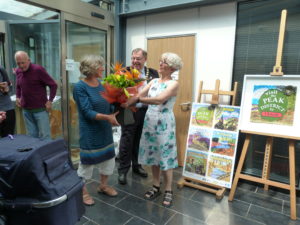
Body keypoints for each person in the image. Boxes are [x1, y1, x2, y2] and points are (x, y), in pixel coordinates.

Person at [122, 52, 183, 207]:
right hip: (150, 121)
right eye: (161, 61)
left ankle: (168, 189)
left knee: (165, 156)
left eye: (164, 62)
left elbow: (159, 99)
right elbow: (138, 94)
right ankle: (156, 186)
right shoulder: (154, 80)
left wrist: (138, 99)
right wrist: (125, 103)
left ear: (172, 68)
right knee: (153, 155)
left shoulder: (173, 84)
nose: (160, 64)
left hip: (164, 122)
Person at [73, 55, 120, 206]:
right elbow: (87, 112)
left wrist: (119, 103)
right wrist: (108, 118)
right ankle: (82, 191)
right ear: (92, 69)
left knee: (108, 159)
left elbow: (109, 104)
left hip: (105, 130)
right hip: (90, 132)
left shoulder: (102, 84)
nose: (103, 69)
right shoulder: (80, 87)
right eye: (100, 66)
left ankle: (103, 185)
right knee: (86, 163)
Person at [118, 48, 159, 185]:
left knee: (140, 141)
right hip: (129, 111)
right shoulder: (123, 73)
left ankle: (136, 166)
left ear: (145, 59)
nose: (135, 61)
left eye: (138, 59)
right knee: (127, 140)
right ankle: (123, 170)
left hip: (146, 111)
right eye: (133, 58)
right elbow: (116, 93)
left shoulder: (153, 73)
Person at [15, 51, 57, 139]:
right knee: (31, 137)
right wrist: (18, 97)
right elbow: (18, 86)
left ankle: (46, 153)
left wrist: (50, 101)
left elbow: (53, 85)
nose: (21, 66)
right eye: (18, 63)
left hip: (40, 110)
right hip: (26, 111)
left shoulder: (38, 70)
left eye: (23, 62)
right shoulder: (18, 71)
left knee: (44, 136)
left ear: (29, 60)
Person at [0, 66, 15, 137]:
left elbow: (10, 86)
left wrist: (7, 88)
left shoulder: (1, 69)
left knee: (9, 139)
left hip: (8, 109)